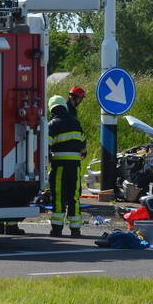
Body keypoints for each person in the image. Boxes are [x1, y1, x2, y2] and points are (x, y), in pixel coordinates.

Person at [47, 94, 86, 237]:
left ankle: (57, 229)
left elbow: (47, 146)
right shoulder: (76, 122)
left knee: (59, 196)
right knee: (74, 197)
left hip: (59, 167)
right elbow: (83, 146)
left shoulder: (53, 124)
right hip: (75, 167)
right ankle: (75, 229)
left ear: (52, 109)